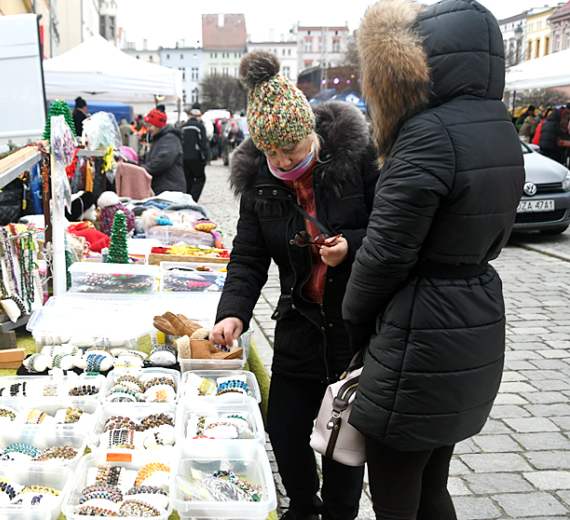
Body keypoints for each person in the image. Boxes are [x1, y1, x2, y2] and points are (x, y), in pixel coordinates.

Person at [344, 1, 525, 519]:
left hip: (418, 333)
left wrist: (355, 323)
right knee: (432, 485)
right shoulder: (498, 125)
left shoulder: (428, 133)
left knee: (397, 493)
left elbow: (383, 255)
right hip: (473, 317)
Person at [211, 50, 379, 520]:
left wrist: (352, 246)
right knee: (284, 432)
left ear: (313, 132)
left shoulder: (358, 158)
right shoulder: (261, 183)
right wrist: (233, 313)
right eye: (273, 152)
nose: (285, 161)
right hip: (299, 324)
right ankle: (303, 507)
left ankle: (340, 515)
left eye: (294, 148)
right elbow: (247, 256)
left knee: (342, 441)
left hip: (352, 326)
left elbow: (392, 230)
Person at [143, 109, 186, 193]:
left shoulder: (170, 138)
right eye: (147, 126)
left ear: (158, 126)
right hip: (163, 186)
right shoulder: (158, 138)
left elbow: (163, 160)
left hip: (171, 188)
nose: (148, 129)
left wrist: (143, 170)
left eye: (150, 126)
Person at [181, 108, 211, 201]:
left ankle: (187, 198)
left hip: (184, 157)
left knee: (188, 179)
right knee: (200, 178)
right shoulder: (200, 127)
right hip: (196, 157)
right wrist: (206, 157)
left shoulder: (183, 127)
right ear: (199, 117)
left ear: (190, 116)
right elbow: (203, 142)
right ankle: (193, 198)